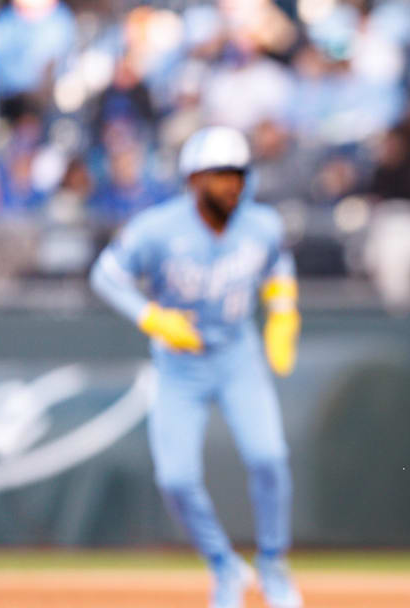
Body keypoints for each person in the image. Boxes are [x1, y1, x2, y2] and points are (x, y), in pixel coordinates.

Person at [89, 126, 302, 608]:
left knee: (269, 456)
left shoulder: (262, 224)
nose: (232, 184)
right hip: (179, 364)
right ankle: (224, 566)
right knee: (176, 478)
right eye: (220, 174)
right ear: (193, 179)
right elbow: (106, 274)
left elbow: (278, 269)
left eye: (238, 174)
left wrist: (284, 311)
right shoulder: (157, 228)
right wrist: (150, 316)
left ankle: (272, 564)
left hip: (238, 356)